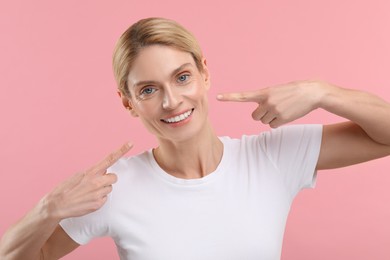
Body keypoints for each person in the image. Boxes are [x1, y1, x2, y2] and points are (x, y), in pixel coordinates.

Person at [1, 17, 389, 260]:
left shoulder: (271, 157)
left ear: (205, 73)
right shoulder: (114, 189)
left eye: (182, 77)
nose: (172, 101)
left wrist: (322, 91)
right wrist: (48, 207)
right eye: (149, 90)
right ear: (128, 103)